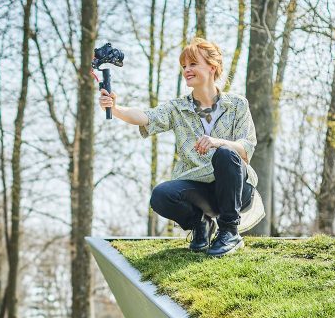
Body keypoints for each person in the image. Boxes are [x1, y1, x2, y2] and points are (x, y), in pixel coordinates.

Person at [98, 37, 265, 256]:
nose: (187, 70)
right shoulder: (178, 108)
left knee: (226, 153)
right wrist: (116, 108)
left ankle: (229, 232)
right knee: (161, 195)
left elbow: (246, 149)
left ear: (212, 67)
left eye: (193, 64)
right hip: (199, 190)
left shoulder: (237, 105)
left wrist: (218, 142)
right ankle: (201, 225)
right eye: (184, 66)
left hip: (235, 189)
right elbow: (145, 117)